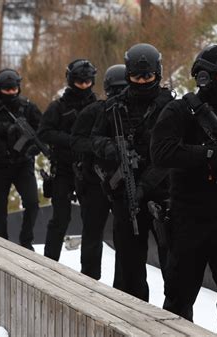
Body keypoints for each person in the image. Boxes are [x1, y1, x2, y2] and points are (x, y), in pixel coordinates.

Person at [150, 45, 217, 337]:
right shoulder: (180, 112)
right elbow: (162, 153)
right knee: (178, 305)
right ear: (205, 78)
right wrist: (212, 154)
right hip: (189, 222)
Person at [90, 43, 174, 301]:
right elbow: (93, 139)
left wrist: (145, 186)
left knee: (173, 266)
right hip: (126, 198)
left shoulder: (170, 107)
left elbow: (174, 154)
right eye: (137, 77)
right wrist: (110, 147)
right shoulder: (114, 107)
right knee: (129, 269)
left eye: (147, 76)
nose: (142, 82)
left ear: (157, 74)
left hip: (163, 195)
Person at [0, 68, 42, 250]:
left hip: (23, 164)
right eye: (7, 90)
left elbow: (43, 131)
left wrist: (34, 146)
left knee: (33, 203)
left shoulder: (28, 108)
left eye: (14, 89)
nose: (11, 93)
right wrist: (5, 128)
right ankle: (1, 246)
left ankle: (26, 242)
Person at [70, 64, 127, 281]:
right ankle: (89, 281)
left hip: (122, 184)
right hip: (95, 180)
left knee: (124, 238)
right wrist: (101, 146)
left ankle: (123, 287)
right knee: (93, 234)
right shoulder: (94, 111)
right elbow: (75, 141)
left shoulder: (132, 113)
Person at [38, 59, 97, 261]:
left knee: (92, 220)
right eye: (80, 82)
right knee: (60, 218)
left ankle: (89, 271)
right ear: (72, 81)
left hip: (90, 170)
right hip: (64, 169)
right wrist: (71, 141)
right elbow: (44, 133)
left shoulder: (97, 106)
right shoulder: (58, 107)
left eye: (88, 82)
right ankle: (49, 263)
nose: (84, 86)